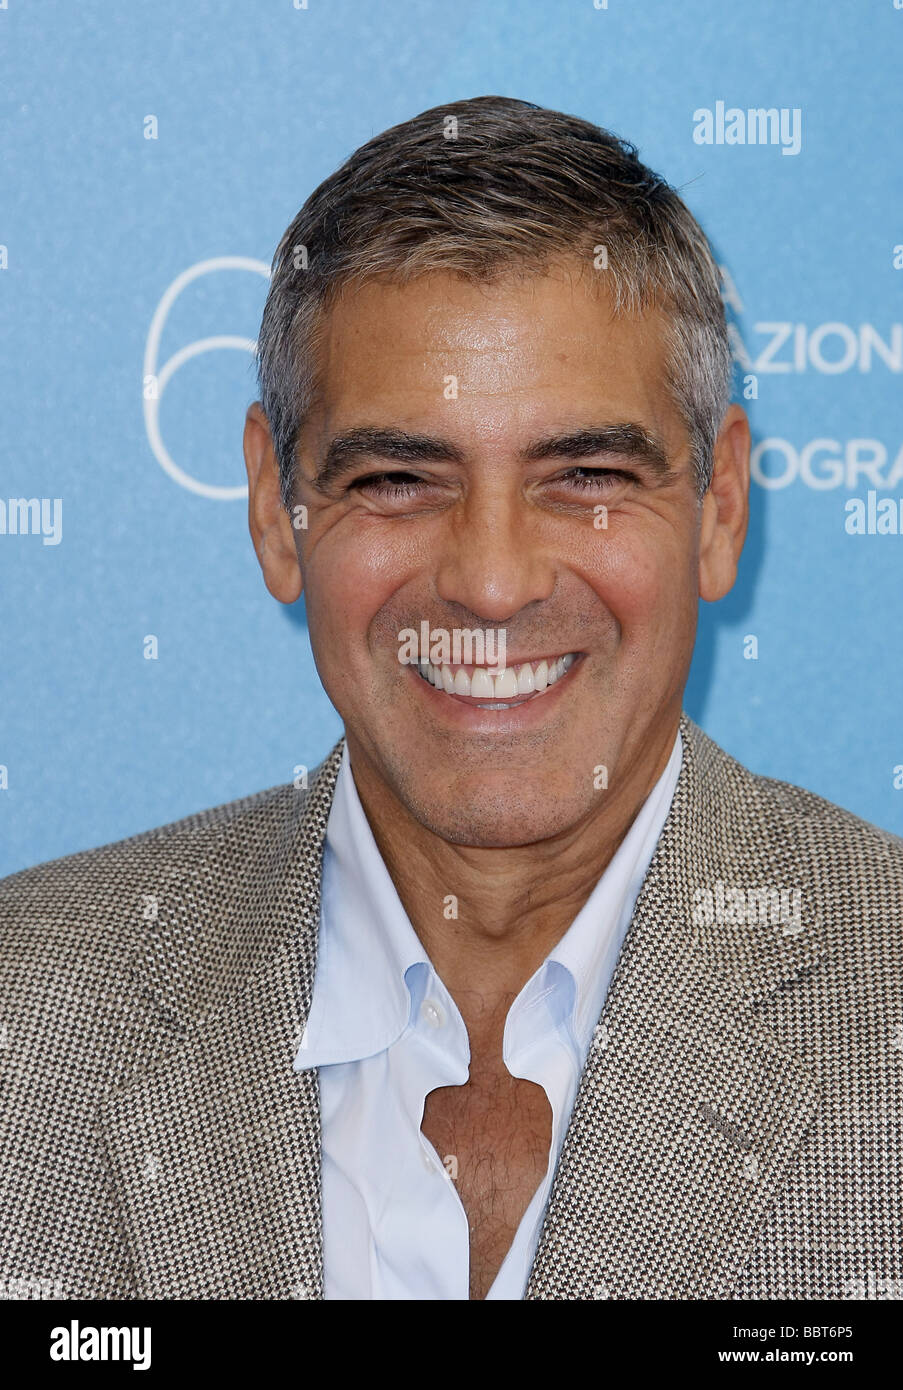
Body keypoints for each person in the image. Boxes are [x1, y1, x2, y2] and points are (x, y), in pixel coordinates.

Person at [1, 96, 900, 1302]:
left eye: (585, 474)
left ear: (722, 507)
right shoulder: (28, 1012)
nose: (489, 582)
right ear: (277, 510)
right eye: (397, 478)